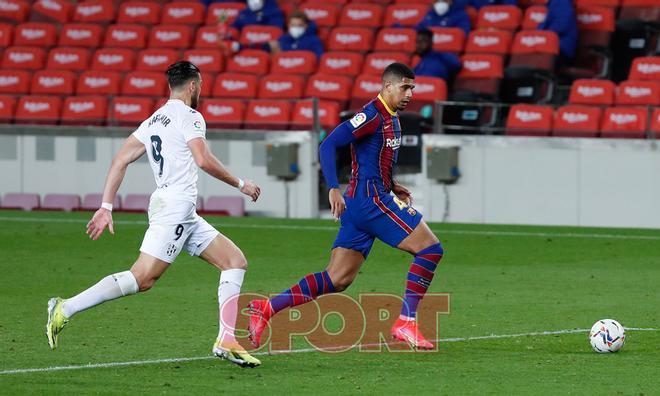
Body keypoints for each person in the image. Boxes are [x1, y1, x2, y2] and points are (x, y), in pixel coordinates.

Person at [45, 61, 263, 368]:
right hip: (173, 208)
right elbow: (202, 158)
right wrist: (241, 183)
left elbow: (120, 159)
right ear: (193, 86)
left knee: (234, 261)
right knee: (142, 278)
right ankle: (65, 308)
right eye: (199, 85)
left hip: (181, 211)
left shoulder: (153, 120)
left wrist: (106, 206)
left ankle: (226, 339)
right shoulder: (190, 116)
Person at [246, 63, 444, 350]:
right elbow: (328, 145)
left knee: (337, 279)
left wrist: (392, 184)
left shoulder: (393, 119)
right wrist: (333, 187)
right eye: (405, 87)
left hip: (364, 202)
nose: (410, 93)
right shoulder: (370, 115)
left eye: (412, 87)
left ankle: (267, 308)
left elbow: (374, 160)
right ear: (387, 86)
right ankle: (406, 321)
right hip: (371, 202)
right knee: (430, 249)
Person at [537, 0, 578, 66]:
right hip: (549, 47)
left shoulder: (561, 2)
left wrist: (543, 34)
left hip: (562, 48)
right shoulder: (552, 3)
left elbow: (562, 25)